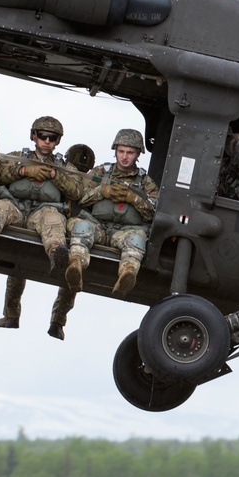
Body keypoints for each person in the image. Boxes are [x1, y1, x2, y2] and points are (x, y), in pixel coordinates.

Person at [49, 129, 159, 338]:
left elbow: (155, 211)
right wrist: (103, 191)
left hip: (125, 231)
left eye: (130, 153)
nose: (125, 157)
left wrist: (133, 199)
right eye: (121, 151)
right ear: (115, 151)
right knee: (81, 232)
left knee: (136, 241)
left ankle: (127, 274)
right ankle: (76, 265)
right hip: (96, 225)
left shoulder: (145, 182)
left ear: (137, 154)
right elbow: (79, 196)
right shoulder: (100, 173)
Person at [0, 117, 84, 329]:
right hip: (15, 206)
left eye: (52, 138)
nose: (46, 141)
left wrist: (56, 176)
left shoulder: (64, 167)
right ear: (34, 136)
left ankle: (57, 253)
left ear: (57, 141)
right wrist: (23, 171)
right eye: (42, 136)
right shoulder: (19, 157)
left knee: (54, 221)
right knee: (0, 209)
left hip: (43, 211)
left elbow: (77, 191)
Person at [47, 143, 97, 341]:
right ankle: (57, 321)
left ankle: (12, 313)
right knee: (72, 276)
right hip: (71, 226)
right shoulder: (93, 179)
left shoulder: (62, 171)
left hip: (58, 223)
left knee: (17, 270)